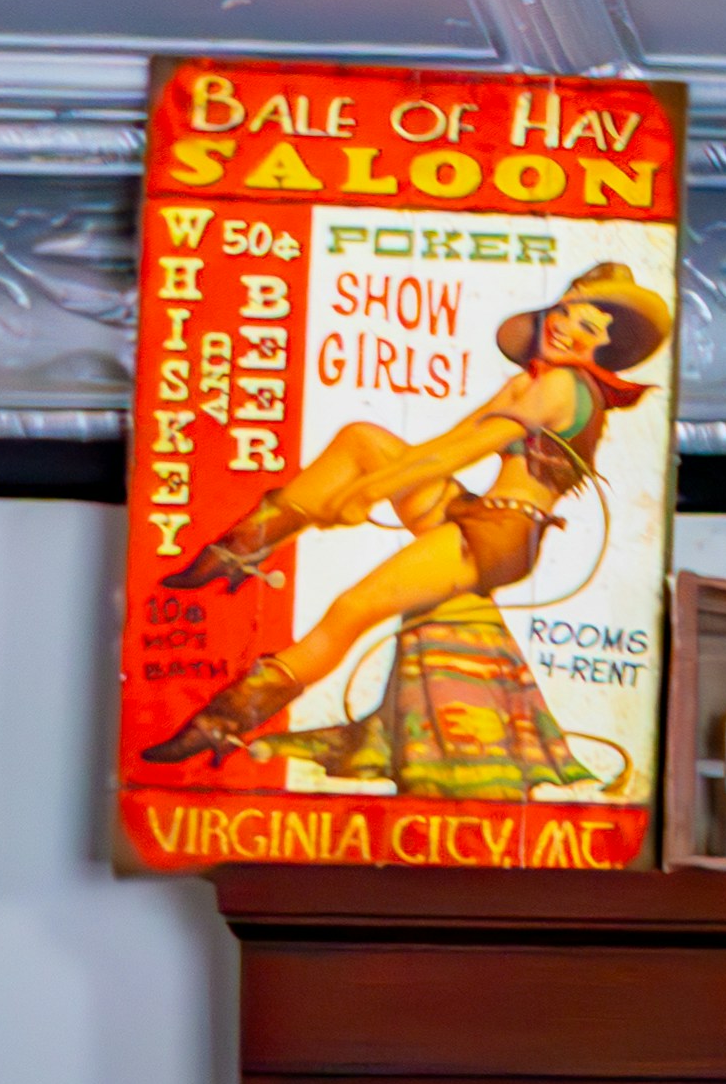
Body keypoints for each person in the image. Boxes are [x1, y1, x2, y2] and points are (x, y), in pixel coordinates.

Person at [138, 262, 670, 792]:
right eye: (566, 311)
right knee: (362, 440)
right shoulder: (528, 381)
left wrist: (365, 493)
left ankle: (220, 724)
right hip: (476, 515)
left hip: (500, 536)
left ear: (606, 349)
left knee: (350, 610)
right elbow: (442, 447)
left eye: (588, 327)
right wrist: (364, 485)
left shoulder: (560, 386)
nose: (565, 326)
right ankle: (237, 553)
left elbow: (465, 451)